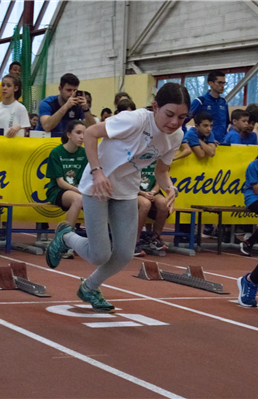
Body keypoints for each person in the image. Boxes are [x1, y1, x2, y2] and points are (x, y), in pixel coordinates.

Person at [46, 82, 190, 312]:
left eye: (182, 117)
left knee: (124, 253)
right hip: (97, 185)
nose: (174, 122)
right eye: (169, 114)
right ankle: (65, 236)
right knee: (99, 254)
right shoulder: (134, 120)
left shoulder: (175, 136)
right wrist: (97, 171)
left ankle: (90, 287)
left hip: (126, 190)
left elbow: (161, 171)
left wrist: (170, 188)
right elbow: (92, 133)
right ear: (155, 107)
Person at [46, 120, 88, 227]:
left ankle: (96, 238)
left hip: (79, 189)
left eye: (84, 133)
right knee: (78, 199)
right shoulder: (56, 152)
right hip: (58, 191)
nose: (82, 137)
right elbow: (60, 182)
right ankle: (65, 236)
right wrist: (79, 190)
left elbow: (88, 178)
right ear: (69, 134)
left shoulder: (85, 153)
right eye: (78, 133)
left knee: (98, 201)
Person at [135, 160, 172, 256]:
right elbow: (127, 181)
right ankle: (135, 241)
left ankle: (155, 238)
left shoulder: (157, 158)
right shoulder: (134, 157)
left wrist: (152, 192)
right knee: (145, 204)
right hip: (135, 192)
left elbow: (160, 180)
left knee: (163, 203)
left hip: (152, 192)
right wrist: (142, 193)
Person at [183, 70, 230, 143]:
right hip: (205, 145)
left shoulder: (223, 103)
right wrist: (186, 138)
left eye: (224, 83)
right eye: (220, 82)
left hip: (221, 144)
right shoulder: (200, 101)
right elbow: (183, 120)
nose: (222, 86)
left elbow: (226, 124)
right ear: (210, 83)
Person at [240, 140, 258, 256]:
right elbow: (257, 190)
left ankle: (250, 242)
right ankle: (249, 242)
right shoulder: (253, 166)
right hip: (254, 198)